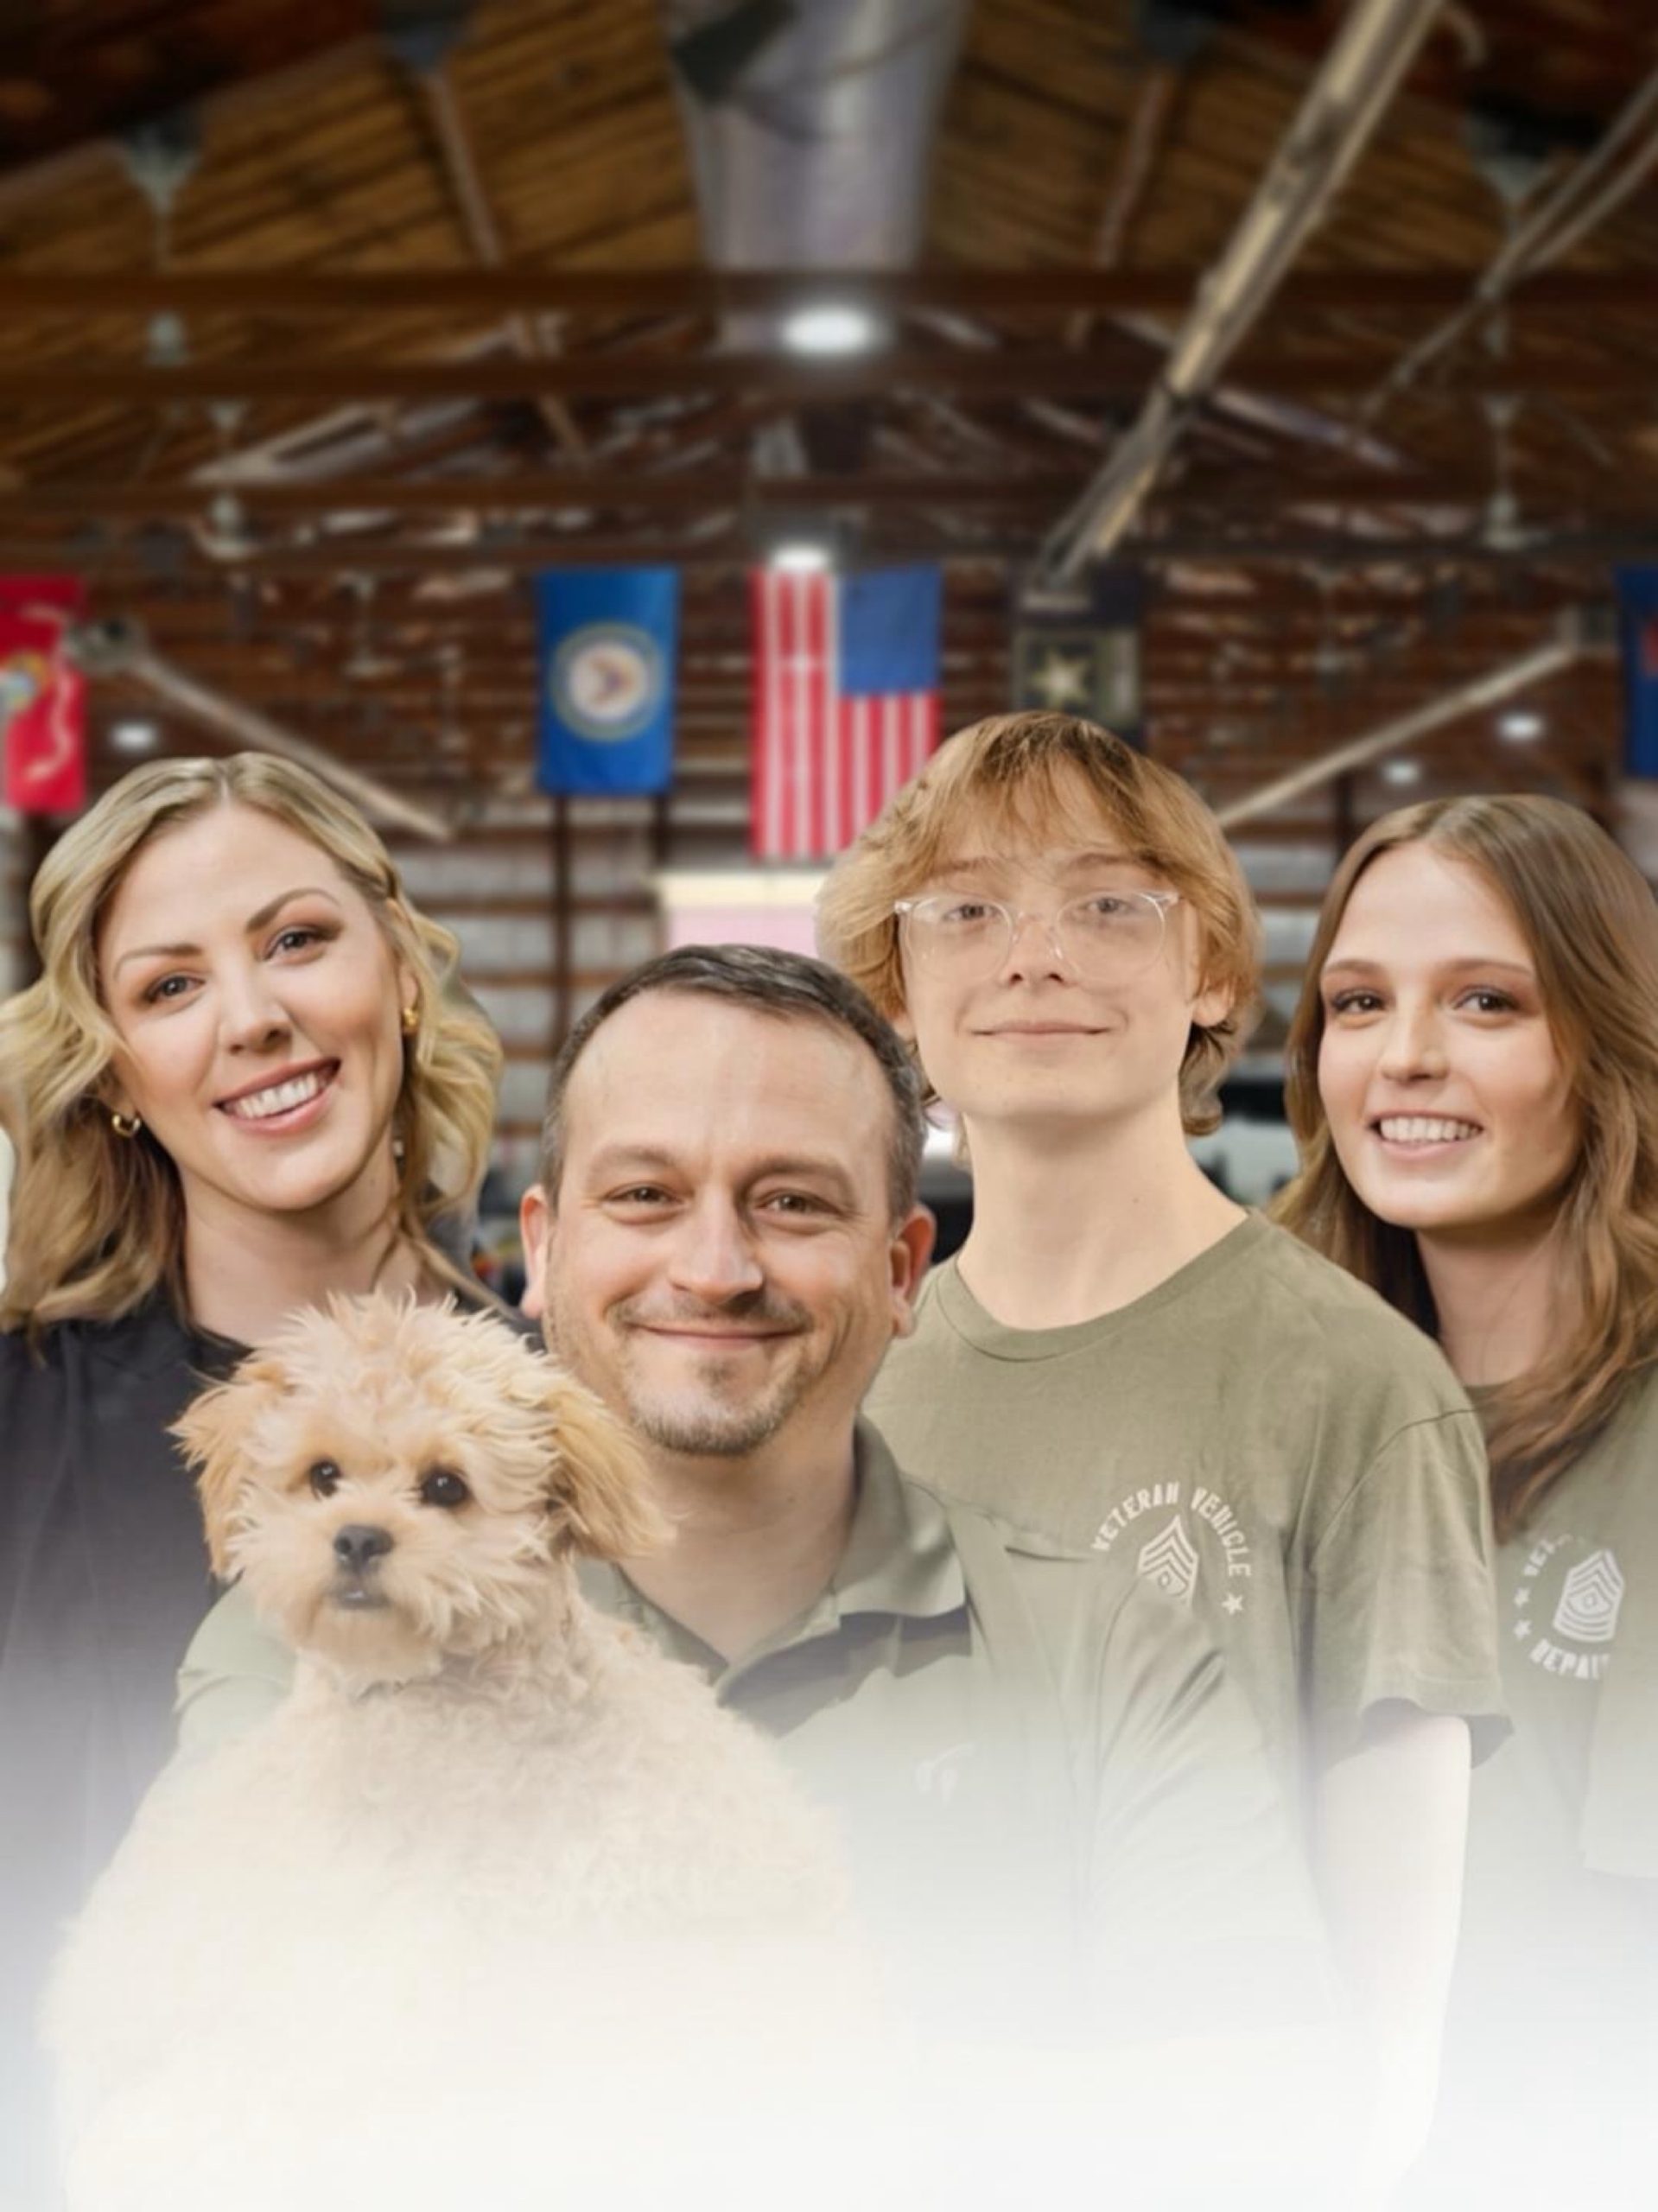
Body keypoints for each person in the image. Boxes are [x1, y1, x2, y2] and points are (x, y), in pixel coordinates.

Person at [179, 944, 1345, 2205]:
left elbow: (1260, 2127)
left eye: (792, 1203)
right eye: (644, 1196)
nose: (717, 1268)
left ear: (903, 1271)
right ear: (546, 1249)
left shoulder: (1115, 1647)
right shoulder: (301, 1643)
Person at [816, 710, 1508, 2177]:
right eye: (968, 909)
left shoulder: (1361, 1391)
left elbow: (1391, 2027)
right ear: (900, 986)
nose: (1033, 953)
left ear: (1207, 973)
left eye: (1108, 902)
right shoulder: (844, 1383)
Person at [0, 752, 503, 2210]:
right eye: (170, 988)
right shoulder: (23, 1428)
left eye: (296, 940)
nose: (254, 1015)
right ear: (116, 1077)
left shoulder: (565, 1429)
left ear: (400, 970)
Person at [1272, 792, 1658, 2203]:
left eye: (1487, 1001)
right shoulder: (1284, 1410)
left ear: (1604, 1043)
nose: (1406, 1058)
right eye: (1360, 1003)